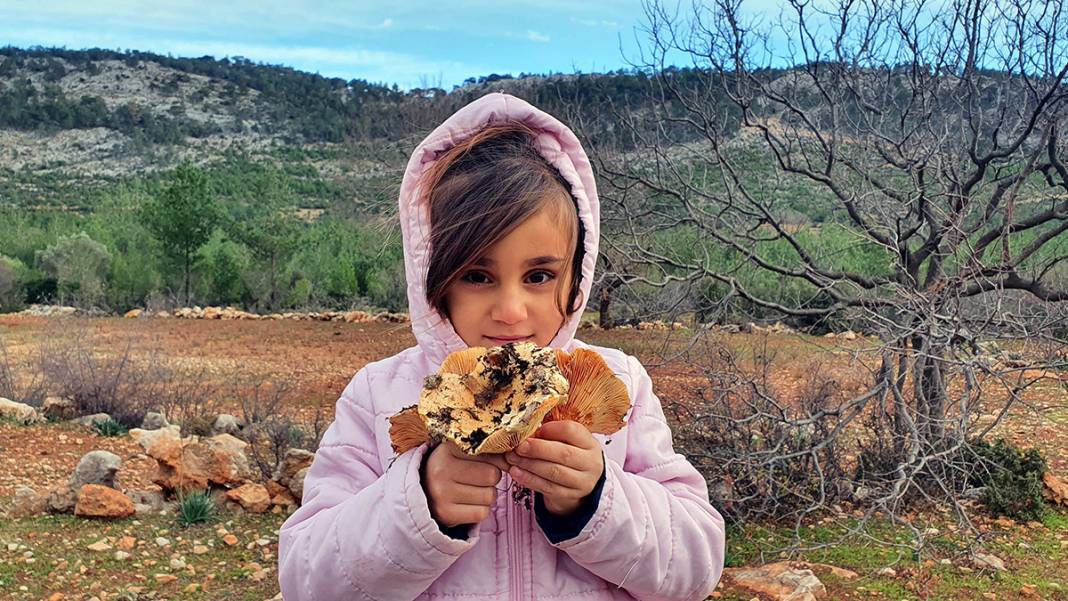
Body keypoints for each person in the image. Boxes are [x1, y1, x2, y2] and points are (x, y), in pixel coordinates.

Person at [278, 92, 725, 601]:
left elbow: (697, 563)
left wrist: (598, 497)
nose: (511, 310)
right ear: (434, 280)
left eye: (539, 275)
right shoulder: (377, 396)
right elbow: (305, 579)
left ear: (577, 276)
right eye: (477, 275)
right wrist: (419, 502)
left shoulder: (619, 382)